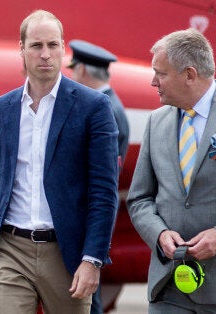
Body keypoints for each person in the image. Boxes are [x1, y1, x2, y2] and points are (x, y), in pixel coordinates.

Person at [0, 10, 119, 313]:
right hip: (11, 250)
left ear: (63, 49)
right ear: (21, 50)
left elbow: (103, 192)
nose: (45, 54)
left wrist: (92, 259)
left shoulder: (94, 107)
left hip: (66, 252)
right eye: (36, 46)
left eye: (53, 45)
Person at [127, 29, 216, 312]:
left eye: (161, 73)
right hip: (167, 287)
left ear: (190, 75)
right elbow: (140, 199)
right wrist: (159, 234)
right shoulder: (155, 122)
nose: (152, 81)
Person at [68, 39, 130, 314]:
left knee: (87, 294)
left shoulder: (104, 109)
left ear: (81, 69)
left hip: (88, 215)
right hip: (90, 214)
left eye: (73, 70)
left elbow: (103, 177)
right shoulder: (110, 105)